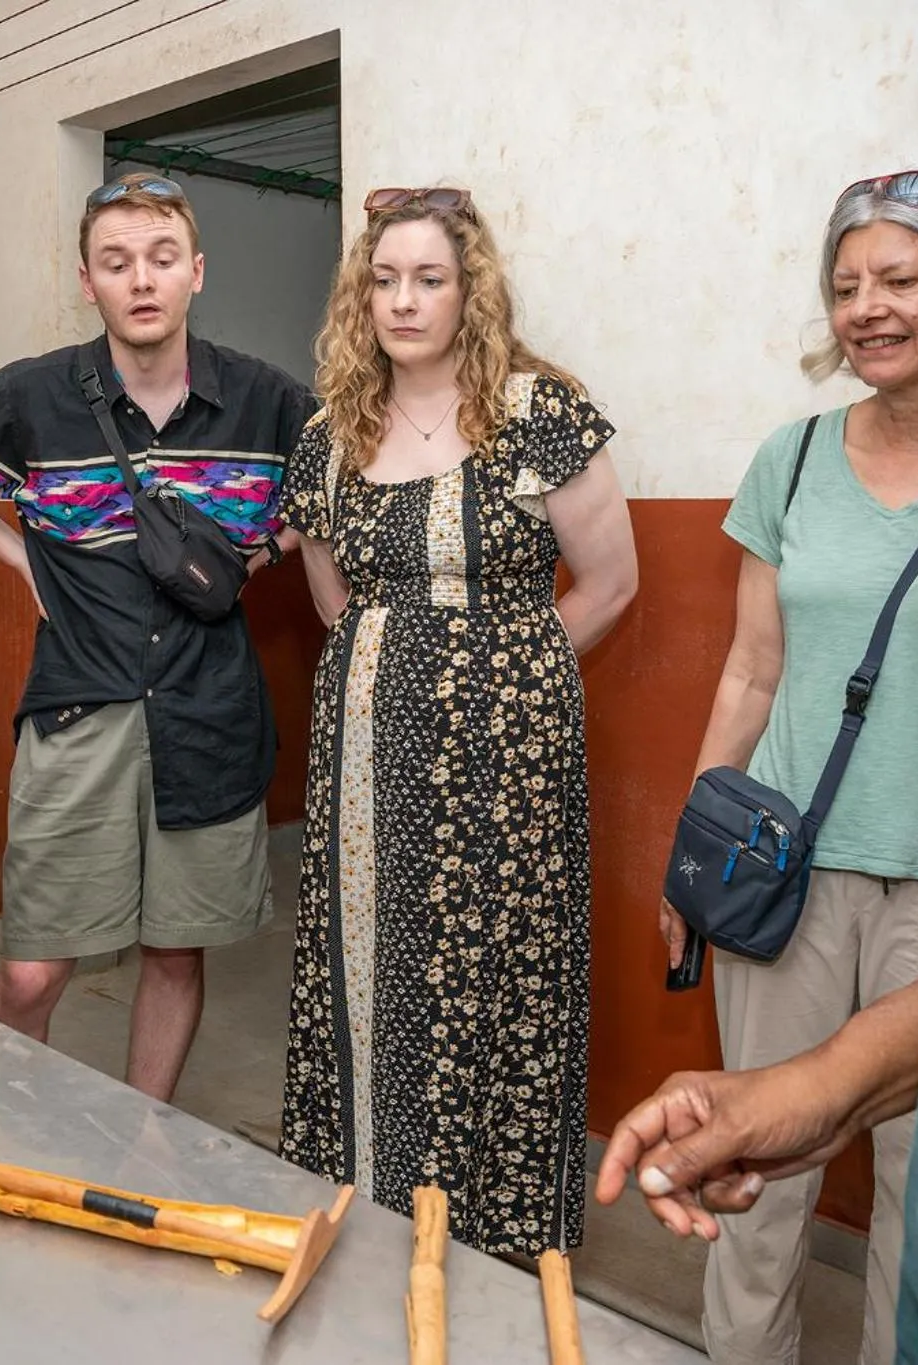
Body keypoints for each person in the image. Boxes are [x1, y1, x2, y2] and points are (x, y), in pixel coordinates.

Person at [598, 6, 918, 1362]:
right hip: (784, 868)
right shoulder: (790, 461)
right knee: (752, 1183)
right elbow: (752, 667)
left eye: (900, 278)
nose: (869, 308)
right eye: (847, 284)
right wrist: (693, 859)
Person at [277, 187, 637, 1255]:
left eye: (427, 279)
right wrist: (403, 683)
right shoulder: (329, 433)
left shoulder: (537, 413)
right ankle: (367, 1196)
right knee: (365, 961)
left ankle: (490, 1225)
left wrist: (496, 680)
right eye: (383, 280)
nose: (402, 300)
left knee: (492, 967)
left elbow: (611, 583)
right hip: (363, 754)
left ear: (467, 290)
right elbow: (332, 598)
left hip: (509, 754)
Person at [0, 172, 314, 1103]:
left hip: (209, 713)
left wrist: (260, 554)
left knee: (175, 953)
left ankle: (147, 1138)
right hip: (80, 709)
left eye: (160, 258)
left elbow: (332, 500)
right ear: (88, 281)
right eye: (117, 262)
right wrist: (25, 562)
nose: (141, 279)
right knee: (33, 966)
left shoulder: (268, 401)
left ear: (196, 271)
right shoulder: (28, 396)